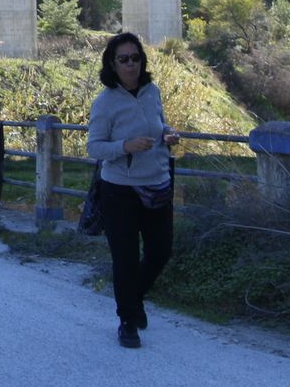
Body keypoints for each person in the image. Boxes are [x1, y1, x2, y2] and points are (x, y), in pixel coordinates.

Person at [86, 31, 179, 349]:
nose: (130, 64)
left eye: (135, 58)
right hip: (120, 190)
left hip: (157, 183)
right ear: (112, 64)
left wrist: (168, 134)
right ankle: (127, 321)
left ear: (142, 61)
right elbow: (94, 148)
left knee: (160, 251)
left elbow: (160, 123)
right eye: (123, 59)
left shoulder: (152, 91)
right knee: (125, 259)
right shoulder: (105, 102)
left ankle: (134, 299)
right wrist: (125, 145)